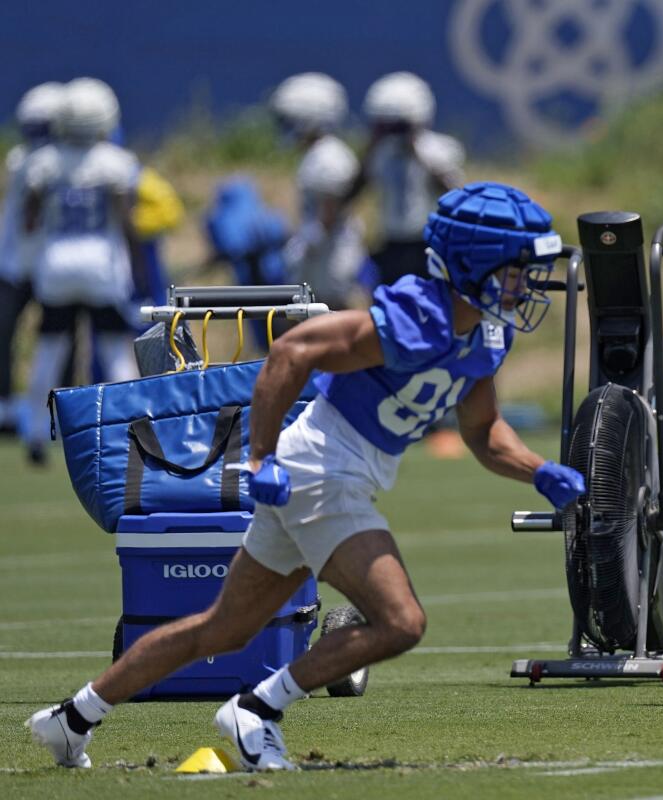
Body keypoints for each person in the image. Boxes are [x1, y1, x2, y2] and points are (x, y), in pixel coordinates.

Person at [26, 181, 586, 770]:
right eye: (517, 270)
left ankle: (73, 718)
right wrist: (260, 456)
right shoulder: (416, 317)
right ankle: (258, 709)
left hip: (331, 474)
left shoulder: (485, 334)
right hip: (321, 471)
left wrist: (539, 470)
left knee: (223, 630)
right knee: (401, 621)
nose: (526, 284)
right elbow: (292, 351)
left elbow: (484, 431)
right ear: (474, 265)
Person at [20, 77, 143, 465]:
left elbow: (30, 218)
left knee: (49, 350)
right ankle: (134, 429)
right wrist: (138, 265)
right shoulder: (116, 163)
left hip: (56, 262)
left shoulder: (42, 161)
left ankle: (36, 432)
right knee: (114, 349)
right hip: (101, 262)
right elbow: (127, 219)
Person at [271, 72, 367, 315]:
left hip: (331, 255)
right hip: (323, 254)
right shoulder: (318, 154)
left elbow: (330, 210)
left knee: (330, 314)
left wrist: (305, 244)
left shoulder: (329, 157)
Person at [0, 81, 66, 434]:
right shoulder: (23, 161)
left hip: (49, 264)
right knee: (8, 333)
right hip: (18, 262)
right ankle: (7, 408)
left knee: (58, 338)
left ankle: (64, 406)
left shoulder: (58, 163)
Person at [358, 72, 465, 288]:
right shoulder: (382, 152)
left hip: (428, 243)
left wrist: (416, 150)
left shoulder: (439, 148)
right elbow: (357, 186)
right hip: (391, 242)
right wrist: (373, 144)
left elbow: (453, 192)